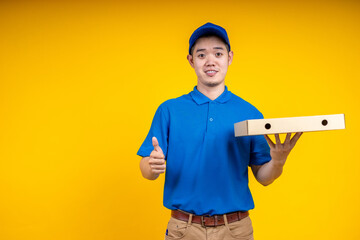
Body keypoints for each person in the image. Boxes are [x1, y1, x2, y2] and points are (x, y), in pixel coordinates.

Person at [137, 22, 302, 240]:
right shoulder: (169, 110)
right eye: (202, 54)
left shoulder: (250, 112)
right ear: (191, 60)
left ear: (229, 57)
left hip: (236, 230)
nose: (210, 61)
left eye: (218, 53)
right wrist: (151, 165)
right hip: (183, 229)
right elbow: (146, 169)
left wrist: (278, 161)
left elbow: (264, 177)